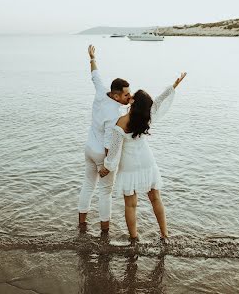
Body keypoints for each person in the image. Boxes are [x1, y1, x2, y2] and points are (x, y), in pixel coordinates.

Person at [99, 71, 187, 241]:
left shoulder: (120, 123)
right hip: (147, 162)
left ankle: (134, 239)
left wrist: (106, 168)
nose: (129, 96)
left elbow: (115, 152)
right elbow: (158, 102)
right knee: (155, 198)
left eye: (131, 95)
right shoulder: (147, 116)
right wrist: (173, 86)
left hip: (129, 166)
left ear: (132, 102)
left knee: (131, 205)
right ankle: (165, 235)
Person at [78, 45, 133, 232]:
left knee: (88, 185)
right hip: (102, 153)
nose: (129, 96)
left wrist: (92, 58)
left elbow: (95, 75)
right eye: (126, 94)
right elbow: (110, 143)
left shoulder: (102, 92)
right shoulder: (115, 113)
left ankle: (81, 224)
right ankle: (105, 233)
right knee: (105, 192)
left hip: (89, 148)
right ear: (116, 95)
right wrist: (108, 165)